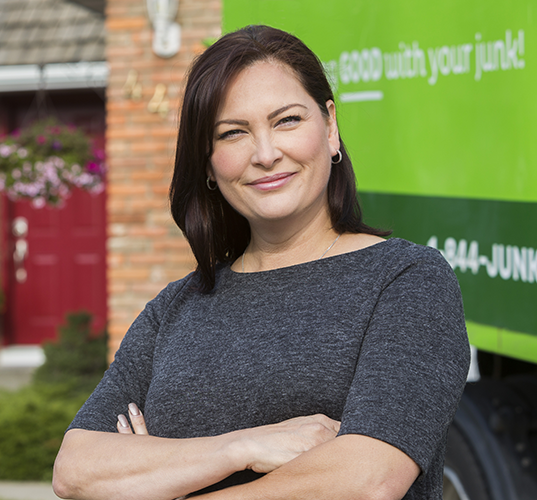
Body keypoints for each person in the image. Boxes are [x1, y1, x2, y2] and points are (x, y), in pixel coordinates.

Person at [52, 25, 470, 500]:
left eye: (287, 120)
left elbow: (366, 481)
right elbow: (77, 469)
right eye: (233, 133)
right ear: (208, 163)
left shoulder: (405, 281)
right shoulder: (177, 307)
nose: (266, 154)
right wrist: (241, 448)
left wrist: (161, 474)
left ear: (330, 127)